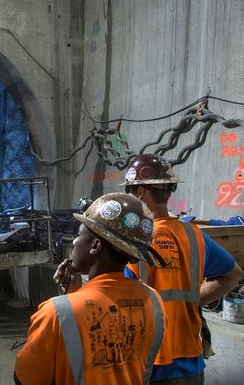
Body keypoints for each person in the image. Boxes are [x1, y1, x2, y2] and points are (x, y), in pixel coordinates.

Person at [15, 193, 167, 384]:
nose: (74, 242)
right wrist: (73, 295)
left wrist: (69, 301)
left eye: (79, 235)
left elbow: (25, 379)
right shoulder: (154, 302)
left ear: (95, 246)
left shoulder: (56, 313)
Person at [122, 154, 243, 384]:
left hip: (152, 364)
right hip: (192, 361)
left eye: (130, 190)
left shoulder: (135, 239)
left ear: (140, 192)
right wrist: (194, 300)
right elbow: (234, 274)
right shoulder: (194, 234)